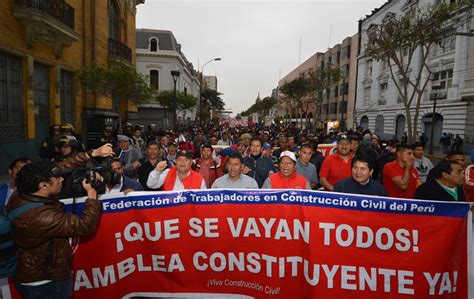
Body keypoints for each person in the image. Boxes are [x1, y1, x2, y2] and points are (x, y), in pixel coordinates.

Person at [7, 160, 101, 298]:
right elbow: (85, 225)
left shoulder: (21, 195)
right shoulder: (42, 216)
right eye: (57, 178)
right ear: (43, 185)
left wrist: (91, 155)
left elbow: (56, 172)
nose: (62, 179)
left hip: (33, 273)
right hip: (46, 282)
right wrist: (92, 194)